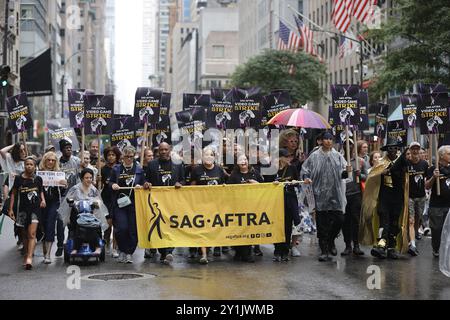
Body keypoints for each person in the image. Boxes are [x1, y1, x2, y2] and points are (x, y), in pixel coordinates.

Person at [301, 131, 349, 262]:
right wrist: (306, 178)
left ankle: (331, 240)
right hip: (319, 194)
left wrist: (347, 172)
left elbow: (343, 175)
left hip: (335, 195)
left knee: (339, 219)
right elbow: (305, 171)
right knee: (322, 224)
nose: (328, 141)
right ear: (321, 141)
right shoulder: (314, 156)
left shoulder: (338, 156)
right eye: (326, 139)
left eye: (330, 139)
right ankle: (324, 250)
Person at [361, 139, 409, 260]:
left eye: (395, 148)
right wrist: (381, 173)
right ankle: (381, 245)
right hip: (384, 196)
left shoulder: (403, 161)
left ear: (398, 149)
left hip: (397, 196)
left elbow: (406, 179)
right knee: (384, 220)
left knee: (395, 222)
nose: (392, 150)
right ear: (387, 150)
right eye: (390, 148)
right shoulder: (381, 163)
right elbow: (372, 176)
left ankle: (392, 247)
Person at [144, 142, 184, 264]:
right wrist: (147, 183)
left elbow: (183, 179)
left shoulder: (178, 164)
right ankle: (163, 252)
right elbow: (146, 179)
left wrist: (180, 183)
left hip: (173, 201)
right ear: (158, 151)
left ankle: (169, 251)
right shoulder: (151, 164)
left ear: (170, 150)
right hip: (157, 202)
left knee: (171, 225)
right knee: (160, 226)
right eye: (161, 150)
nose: (163, 152)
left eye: (166, 149)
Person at [58, 168, 108, 255]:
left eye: (90, 178)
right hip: (77, 214)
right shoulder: (75, 189)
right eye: (86, 178)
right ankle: (75, 248)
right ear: (82, 178)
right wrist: (73, 204)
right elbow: (68, 201)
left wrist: (96, 203)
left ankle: (97, 247)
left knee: (92, 226)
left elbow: (99, 203)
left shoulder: (94, 190)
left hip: (91, 215)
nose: (89, 180)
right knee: (78, 228)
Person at [8, 157, 46, 270]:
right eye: (27, 164)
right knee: (24, 234)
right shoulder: (19, 179)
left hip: (35, 210)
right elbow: (13, 194)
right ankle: (26, 254)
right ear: (24, 166)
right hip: (22, 210)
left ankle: (30, 257)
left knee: (32, 233)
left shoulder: (38, 179)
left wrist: (43, 200)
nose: (29, 166)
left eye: (31, 164)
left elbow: (41, 191)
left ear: (35, 167)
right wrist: (10, 209)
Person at [109, 146, 145, 263]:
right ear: (122, 157)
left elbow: (144, 183)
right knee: (121, 228)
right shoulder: (116, 169)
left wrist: (141, 186)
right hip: (120, 203)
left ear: (134, 157)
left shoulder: (139, 170)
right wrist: (113, 185)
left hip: (134, 203)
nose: (129, 159)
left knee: (133, 230)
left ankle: (129, 252)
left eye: (131, 156)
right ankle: (122, 250)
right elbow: (110, 182)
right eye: (126, 156)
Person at [190, 147, 226, 264]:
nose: (208, 157)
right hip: (201, 205)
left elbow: (224, 185)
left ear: (214, 157)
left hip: (216, 205)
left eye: (211, 155)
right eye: (206, 155)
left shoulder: (219, 170)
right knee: (202, 229)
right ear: (202, 157)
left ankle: (215, 247)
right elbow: (192, 187)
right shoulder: (196, 170)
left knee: (214, 228)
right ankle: (204, 255)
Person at [265, 148, 301, 262]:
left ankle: (285, 251)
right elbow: (265, 184)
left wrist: (295, 183)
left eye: (289, 156)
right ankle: (277, 250)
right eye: (286, 157)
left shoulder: (292, 168)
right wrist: (273, 184)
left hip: (289, 200)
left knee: (287, 226)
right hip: (276, 201)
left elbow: (297, 181)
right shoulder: (272, 169)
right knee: (277, 226)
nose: (288, 159)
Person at [227, 154, 264, 262]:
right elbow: (228, 190)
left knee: (249, 230)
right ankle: (239, 252)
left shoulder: (255, 173)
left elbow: (264, 187)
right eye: (240, 160)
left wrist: (255, 183)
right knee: (239, 230)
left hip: (253, 206)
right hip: (238, 207)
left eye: (245, 159)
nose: (243, 161)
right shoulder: (234, 175)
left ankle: (248, 253)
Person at [39, 151, 68, 264]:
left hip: (54, 203)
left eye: (53, 160)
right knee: (42, 227)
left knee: (50, 225)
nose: (50, 162)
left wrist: (65, 184)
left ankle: (48, 255)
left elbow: (63, 191)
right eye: (48, 160)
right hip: (41, 203)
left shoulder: (58, 173)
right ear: (44, 160)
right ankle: (44, 252)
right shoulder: (39, 173)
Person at [341, 139, 367, 256]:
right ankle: (347, 245)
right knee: (345, 221)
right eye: (346, 145)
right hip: (343, 195)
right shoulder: (340, 160)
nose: (349, 147)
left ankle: (356, 244)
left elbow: (366, 177)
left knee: (356, 220)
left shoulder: (360, 161)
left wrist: (359, 174)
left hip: (356, 194)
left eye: (351, 145)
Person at [57, 138, 81, 257]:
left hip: (74, 196)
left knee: (73, 221)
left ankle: (70, 242)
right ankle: (60, 245)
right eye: (67, 148)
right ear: (62, 150)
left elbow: (84, 171)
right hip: (61, 196)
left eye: (70, 147)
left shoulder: (76, 160)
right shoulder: (57, 162)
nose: (69, 149)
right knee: (61, 222)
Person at [425, 145, 450, 258]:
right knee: (436, 229)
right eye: (448, 154)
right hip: (436, 206)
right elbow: (427, 186)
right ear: (441, 155)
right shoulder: (433, 169)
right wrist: (434, 177)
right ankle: (436, 248)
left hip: (448, 205)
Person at [404, 142, 429, 256]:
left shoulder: (424, 164)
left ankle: (413, 234)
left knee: (418, 218)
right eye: (413, 149)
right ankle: (412, 243)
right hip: (410, 196)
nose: (415, 151)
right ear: (410, 150)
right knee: (411, 220)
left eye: (417, 149)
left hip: (421, 196)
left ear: (419, 151)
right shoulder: (406, 164)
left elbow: (427, 179)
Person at [101, 146, 121, 258]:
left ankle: (115, 248)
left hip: (118, 199)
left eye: (113, 155)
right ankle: (106, 244)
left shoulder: (120, 168)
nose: (111, 157)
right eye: (109, 155)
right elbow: (99, 185)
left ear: (117, 156)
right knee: (108, 225)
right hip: (106, 199)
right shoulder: (103, 169)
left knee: (117, 224)